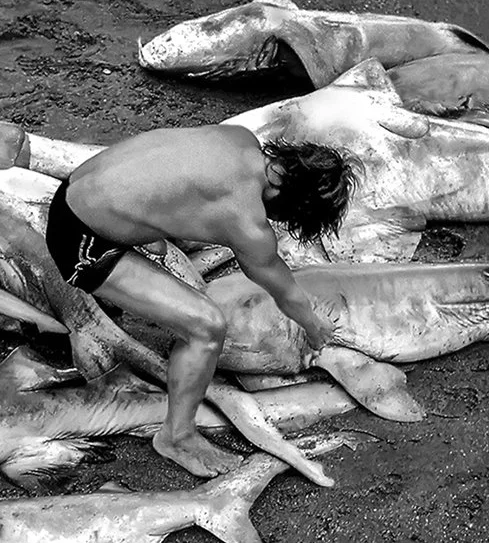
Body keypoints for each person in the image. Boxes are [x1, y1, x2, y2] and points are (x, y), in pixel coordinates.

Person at [45, 123, 357, 478]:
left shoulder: (240, 138)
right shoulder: (245, 219)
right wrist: (314, 326)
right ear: (284, 202)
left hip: (74, 189)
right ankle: (176, 436)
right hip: (81, 243)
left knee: (171, 211)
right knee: (207, 328)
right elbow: (283, 287)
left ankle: (137, 231)